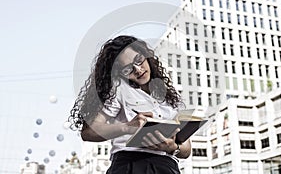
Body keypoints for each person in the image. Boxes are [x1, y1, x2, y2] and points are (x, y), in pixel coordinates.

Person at [69, 35, 191, 174]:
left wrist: (172, 147)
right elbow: (88, 132)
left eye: (139, 60)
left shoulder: (170, 97)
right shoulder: (119, 88)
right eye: (127, 69)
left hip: (168, 167)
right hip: (131, 165)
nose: (138, 70)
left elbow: (186, 149)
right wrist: (127, 127)